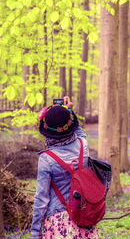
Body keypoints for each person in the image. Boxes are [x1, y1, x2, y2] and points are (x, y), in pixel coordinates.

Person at [30, 96, 98, 239]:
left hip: (58, 223)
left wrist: (35, 233)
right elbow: (79, 132)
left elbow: (41, 199)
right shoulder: (82, 146)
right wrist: (69, 111)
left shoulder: (46, 159)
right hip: (84, 217)